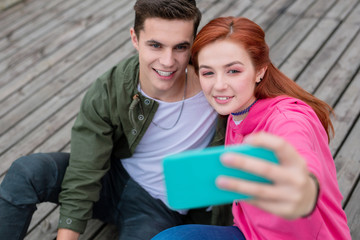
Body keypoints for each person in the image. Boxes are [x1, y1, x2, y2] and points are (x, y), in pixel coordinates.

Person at [0, 1, 234, 240]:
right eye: (155, 45)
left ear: (193, 44)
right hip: (111, 179)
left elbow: (262, 96)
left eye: (180, 47)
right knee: (27, 171)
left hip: (157, 208)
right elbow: (84, 169)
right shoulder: (111, 86)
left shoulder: (217, 88)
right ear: (135, 38)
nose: (167, 61)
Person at [152, 16, 351, 240]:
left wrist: (303, 189)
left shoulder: (288, 118)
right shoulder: (237, 111)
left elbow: (300, 157)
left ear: (260, 71)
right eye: (208, 72)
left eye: (233, 71)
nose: (218, 85)